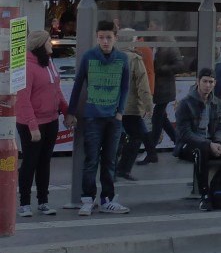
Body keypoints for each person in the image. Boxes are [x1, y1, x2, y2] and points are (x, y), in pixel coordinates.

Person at [67, 19, 131, 216]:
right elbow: (78, 85)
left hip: (113, 118)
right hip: (93, 117)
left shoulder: (122, 59)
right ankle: (88, 199)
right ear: (97, 37)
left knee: (110, 160)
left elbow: (125, 87)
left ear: (115, 38)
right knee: (91, 159)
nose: (105, 41)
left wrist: (120, 111)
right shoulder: (88, 57)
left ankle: (107, 199)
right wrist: (70, 112)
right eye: (101, 38)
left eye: (108, 38)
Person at [16, 29, 75, 217]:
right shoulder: (26, 66)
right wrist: (33, 125)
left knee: (44, 162)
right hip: (31, 123)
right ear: (41, 44)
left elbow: (57, 91)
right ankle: (25, 202)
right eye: (49, 40)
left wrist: (67, 112)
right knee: (30, 162)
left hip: (51, 120)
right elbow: (23, 99)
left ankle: (43, 201)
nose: (52, 43)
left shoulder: (49, 63)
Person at [175, 66, 221, 211]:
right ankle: (205, 195)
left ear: (215, 84)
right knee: (201, 151)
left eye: (211, 82)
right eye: (205, 81)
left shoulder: (216, 103)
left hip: (210, 142)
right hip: (187, 145)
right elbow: (185, 134)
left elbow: (220, 128)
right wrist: (209, 144)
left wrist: (219, 142)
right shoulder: (186, 103)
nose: (208, 85)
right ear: (197, 81)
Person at [115, 27, 153, 181]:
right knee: (137, 136)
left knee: (116, 137)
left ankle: (111, 169)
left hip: (112, 105)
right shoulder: (135, 59)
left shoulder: (113, 55)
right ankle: (123, 169)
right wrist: (149, 105)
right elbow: (143, 86)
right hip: (130, 106)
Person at [142, 25, 184, 163]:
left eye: (154, 27)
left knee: (157, 118)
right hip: (153, 87)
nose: (151, 30)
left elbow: (179, 65)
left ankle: (151, 151)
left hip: (164, 87)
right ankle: (179, 142)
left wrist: (161, 69)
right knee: (162, 118)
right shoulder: (145, 42)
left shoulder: (168, 44)